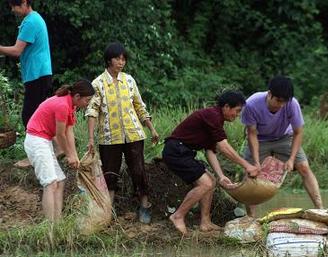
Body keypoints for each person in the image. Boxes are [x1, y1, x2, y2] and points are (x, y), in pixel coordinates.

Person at [162, 91, 259, 235]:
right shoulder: (212, 116)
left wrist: (220, 176)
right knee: (205, 183)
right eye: (237, 111)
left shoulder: (215, 119)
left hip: (184, 152)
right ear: (226, 107)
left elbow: (210, 150)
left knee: (212, 181)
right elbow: (223, 147)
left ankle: (205, 222)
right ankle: (178, 216)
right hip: (176, 151)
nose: (237, 115)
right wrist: (247, 165)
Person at [86, 42, 159, 224]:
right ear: (108, 60)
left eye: (123, 59)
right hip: (110, 137)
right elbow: (92, 111)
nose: (121, 62)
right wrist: (90, 139)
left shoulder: (129, 80)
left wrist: (151, 128)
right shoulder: (98, 84)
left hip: (134, 134)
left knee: (138, 170)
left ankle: (144, 205)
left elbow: (139, 106)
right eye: (118, 58)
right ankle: (107, 211)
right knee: (110, 173)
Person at [241, 75, 324, 217]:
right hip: (259, 139)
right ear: (269, 94)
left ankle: (321, 209)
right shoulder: (252, 104)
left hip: (285, 137)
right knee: (251, 174)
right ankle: (251, 218)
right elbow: (252, 134)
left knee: (304, 167)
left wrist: (291, 159)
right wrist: (256, 162)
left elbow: (298, 132)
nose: (280, 105)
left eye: (284, 102)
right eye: (278, 101)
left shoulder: (292, 104)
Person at [24, 79, 95, 222]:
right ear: (77, 97)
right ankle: (50, 228)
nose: (87, 104)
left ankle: (58, 223)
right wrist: (69, 155)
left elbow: (69, 132)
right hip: (36, 140)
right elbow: (60, 134)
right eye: (87, 100)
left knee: (60, 181)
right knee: (50, 183)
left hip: (44, 141)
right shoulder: (62, 105)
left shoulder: (71, 105)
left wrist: (74, 156)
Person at [0, 0, 52, 128]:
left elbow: (17, 51)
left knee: (29, 117)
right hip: (40, 73)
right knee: (37, 117)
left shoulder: (30, 22)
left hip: (37, 74)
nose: (12, 10)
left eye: (14, 6)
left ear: (24, 2)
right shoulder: (35, 18)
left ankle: (38, 146)